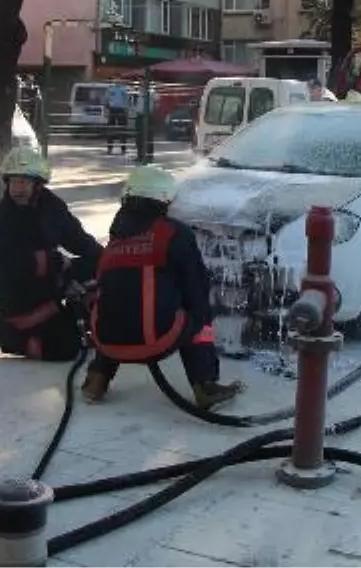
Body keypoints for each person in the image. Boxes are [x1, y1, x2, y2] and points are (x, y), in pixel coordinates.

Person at [81, 165, 244, 410]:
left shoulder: (115, 240)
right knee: (198, 314)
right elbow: (196, 288)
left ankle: (96, 379)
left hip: (107, 342)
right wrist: (198, 315)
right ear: (165, 199)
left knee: (118, 303)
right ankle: (205, 385)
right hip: (156, 341)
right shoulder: (174, 233)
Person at [0, 147, 104, 362]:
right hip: (21, 298)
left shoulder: (51, 206)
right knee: (66, 349)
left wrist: (106, 258)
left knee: (98, 268)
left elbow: (76, 238)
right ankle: (5, 333)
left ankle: (84, 322)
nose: (18, 188)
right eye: (13, 181)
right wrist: (55, 262)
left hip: (50, 280)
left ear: (38, 184)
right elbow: (10, 269)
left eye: (24, 182)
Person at [106, 83, 130, 155]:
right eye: (116, 79)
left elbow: (127, 100)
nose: (117, 81)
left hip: (121, 110)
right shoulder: (110, 89)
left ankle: (123, 149)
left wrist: (127, 111)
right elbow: (106, 99)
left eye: (119, 79)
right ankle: (109, 148)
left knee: (122, 130)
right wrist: (106, 110)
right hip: (112, 109)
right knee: (110, 130)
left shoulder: (124, 89)